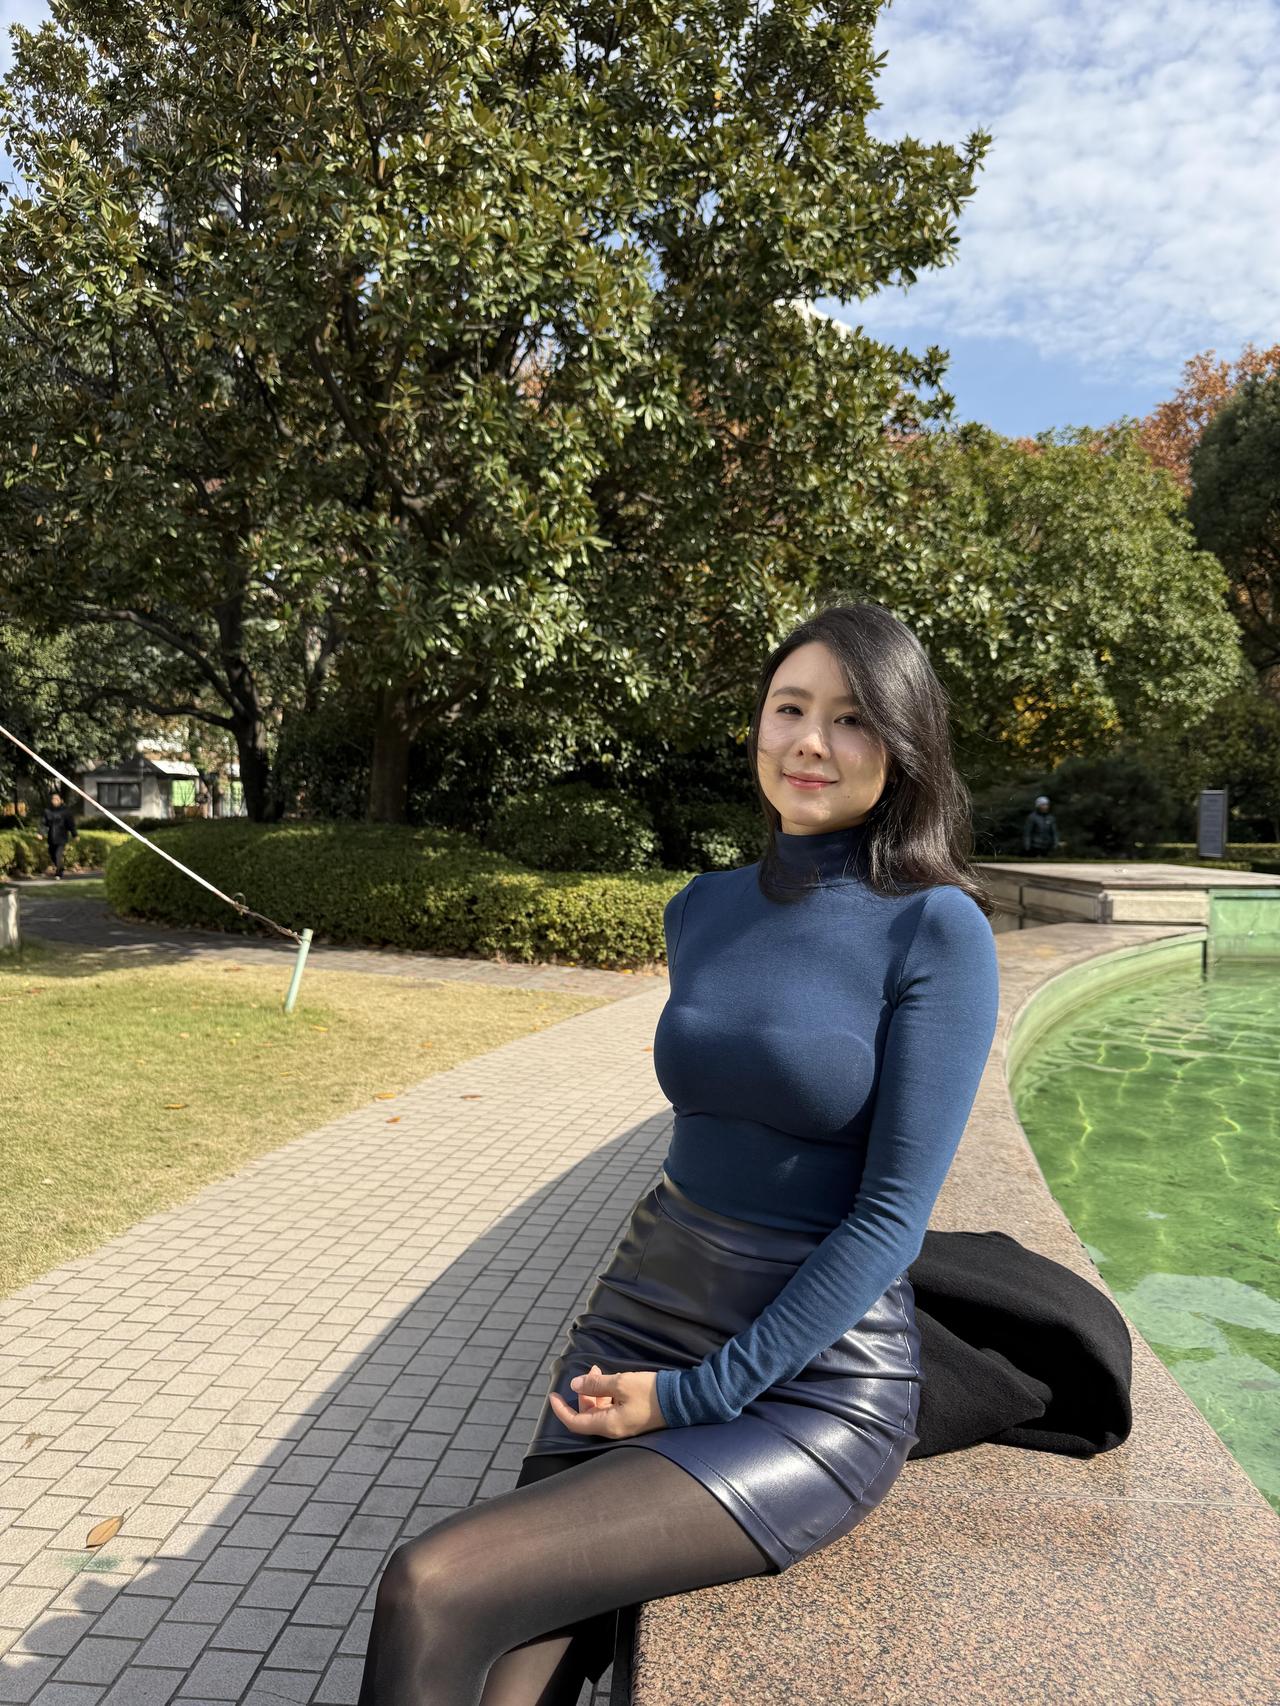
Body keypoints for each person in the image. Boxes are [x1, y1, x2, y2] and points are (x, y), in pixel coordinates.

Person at [355, 602, 1000, 1706]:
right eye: (789, 708)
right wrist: (658, 1367)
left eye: (851, 718)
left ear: (901, 746)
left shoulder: (934, 927)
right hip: (640, 1314)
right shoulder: (700, 908)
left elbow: (890, 1218)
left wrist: (699, 1394)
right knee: (508, 1666)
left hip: (811, 1377)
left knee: (432, 1582)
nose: (810, 741)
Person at [40, 792, 78, 879]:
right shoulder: (47, 811)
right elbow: (43, 823)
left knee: (58, 855)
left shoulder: (66, 811)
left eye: (57, 799)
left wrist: (75, 834)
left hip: (62, 837)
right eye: (53, 799)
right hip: (51, 837)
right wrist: (41, 833)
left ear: (61, 800)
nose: (55, 801)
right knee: (52, 854)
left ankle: (58, 873)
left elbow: (71, 824)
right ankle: (60, 867)